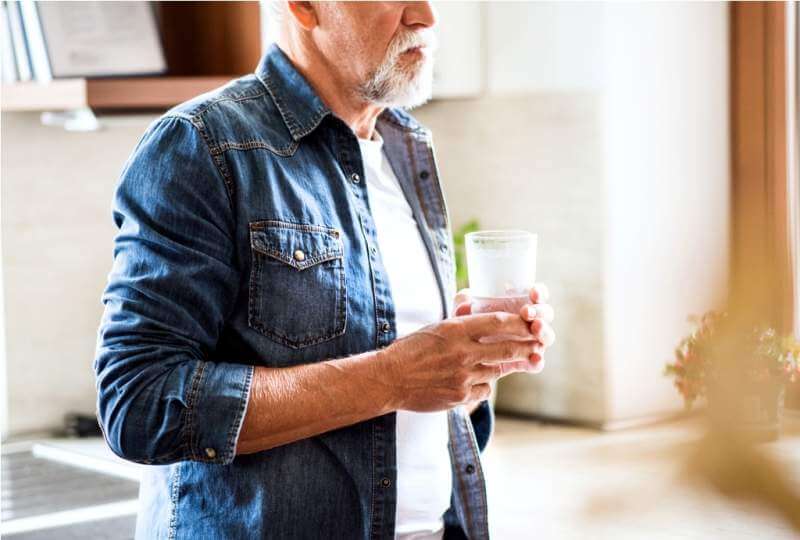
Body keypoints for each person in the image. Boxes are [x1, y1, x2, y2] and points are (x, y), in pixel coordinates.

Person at [94, 2, 556, 538]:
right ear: (305, 6)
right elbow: (139, 401)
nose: (426, 15)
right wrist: (395, 378)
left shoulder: (406, 146)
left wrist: (467, 372)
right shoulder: (203, 145)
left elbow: (407, 403)